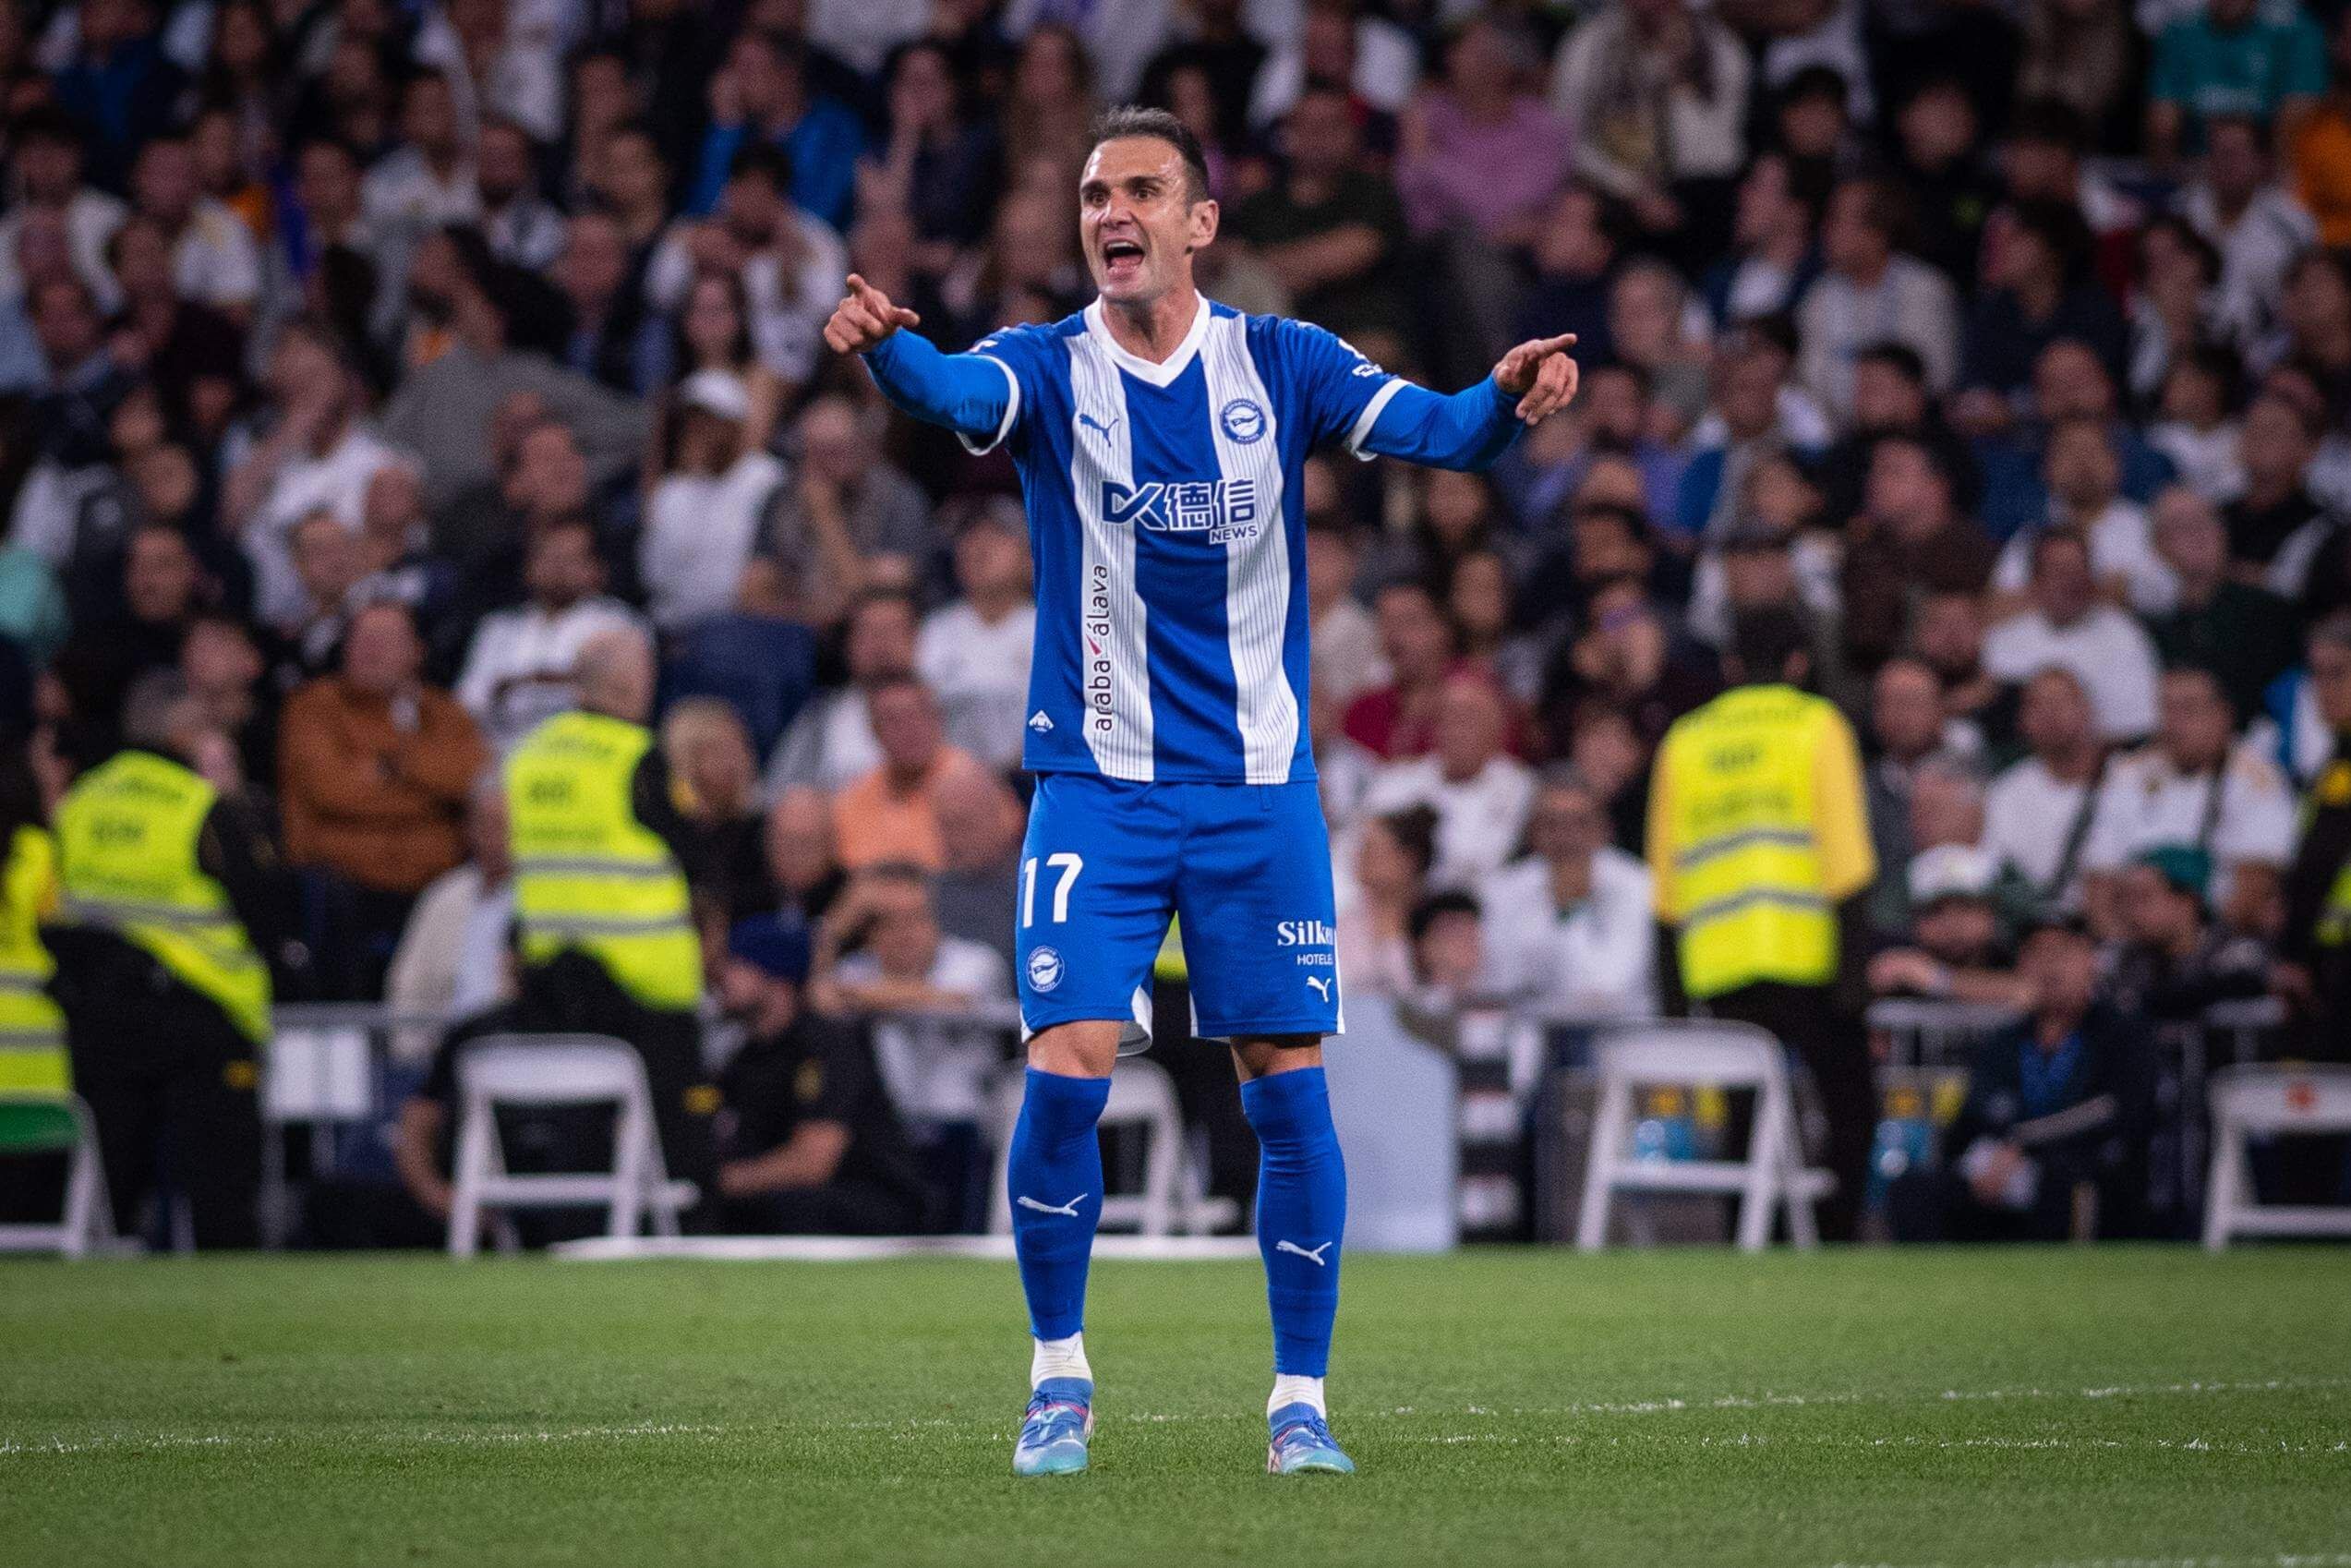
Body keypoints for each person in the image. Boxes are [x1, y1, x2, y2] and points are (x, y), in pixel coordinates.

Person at [824, 105, 1582, 1477]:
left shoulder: (1281, 359)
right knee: (1066, 1064)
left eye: (1140, 190)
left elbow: (1438, 432)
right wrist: (887, 351)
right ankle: (1058, 1380)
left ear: (1199, 223)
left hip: (1254, 790)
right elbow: (951, 398)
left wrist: (1503, 396)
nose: (1110, 213)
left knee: (1284, 1086)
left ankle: (1299, 1402)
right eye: (1093, 194)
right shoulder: (1047, 365)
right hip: (1096, 787)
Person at [1646, 608, 1876, 1242]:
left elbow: (1665, 887)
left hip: (1719, 968)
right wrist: (1855, 980)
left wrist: (1672, 1001)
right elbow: (1848, 864)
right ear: (1799, 663)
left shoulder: (1685, 741)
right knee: (1850, 1108)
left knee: (1744, 1121)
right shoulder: (1818, 726)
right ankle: (1832, 1236)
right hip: (1812, 962)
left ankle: (1749, 1241)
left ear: (1730, 667)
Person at [49, 671, 293, 1248]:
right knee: (221, 1195)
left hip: (101, 1014)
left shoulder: (77, 804)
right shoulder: (198, 805)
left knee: (111, 1193)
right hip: (203, 1011)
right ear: (182, 730)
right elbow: (266, 906)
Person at [502, 625, 717, 1218]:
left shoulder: (528, 757)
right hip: (646, 988)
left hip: (552, 982)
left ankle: (569, 1237)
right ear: (631, 682)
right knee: (678, 1152)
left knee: (578, 1140)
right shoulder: (637, 755)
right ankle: (691, 1239)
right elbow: (694, 851)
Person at [1886, 917, 2152, 1241]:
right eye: (2036, 954)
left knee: (2062, 1183)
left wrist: (2020, 1145)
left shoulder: (2119, 1034)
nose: (2049, 966)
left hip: (2080, 1168)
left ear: (2090, 960)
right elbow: (1973, 1115)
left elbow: (2108, 1112)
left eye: (2062, 953)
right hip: (2003, 1170)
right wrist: (1983, 1155)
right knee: (1913, 1188)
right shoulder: (2005, 1042)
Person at [277, 600, 488, 995]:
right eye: (361, 639)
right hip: (343, 886)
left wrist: (394, 764)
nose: (370, 650)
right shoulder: (314, 707)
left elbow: (470, 779)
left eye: (386, 640)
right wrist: (430, 796)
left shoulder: (447, 713)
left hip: (433, 884)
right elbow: (334, 791)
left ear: (417, 652)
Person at [712, 916, 931, 1236]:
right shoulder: (746, 1055)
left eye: (737, 965)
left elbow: (813, 1163)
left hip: (873, 1201)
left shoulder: (829, 1046)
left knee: (786, 1206)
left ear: (775, 977)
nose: (721, 976)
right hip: (805, 1200)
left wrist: (717, 1182)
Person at [1479, 771, 1657, 1019]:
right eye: (1552, 824)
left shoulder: (1639, 886)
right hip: (1530, 1032)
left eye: (1579, 823)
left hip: (1621, 1033)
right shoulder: (1502, 891)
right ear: (1533, 832)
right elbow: (1501, 983)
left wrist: (1572, 910)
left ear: (1603, 829)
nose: (1565, 836)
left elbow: (1610, 990)